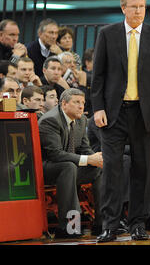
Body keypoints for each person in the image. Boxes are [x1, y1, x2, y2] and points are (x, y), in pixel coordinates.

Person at [91, 0, 150, 242]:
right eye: (134, 7)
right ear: (123, 8)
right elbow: (98, 75)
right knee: (112, 169)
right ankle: (110, 225)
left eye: (142, 7)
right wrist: (98, 107)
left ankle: (138, 223)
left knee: (142, 169)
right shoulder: (108, 34)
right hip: (113, 113)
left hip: (143, 113)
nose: (139, 11)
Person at [38, 88, 103, 238]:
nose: (81, 106)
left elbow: (85, 148)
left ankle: (101, 223)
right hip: (47, 168)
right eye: (76, 102)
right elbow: (55, 154)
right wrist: (88, 160)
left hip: (70, 168)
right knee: (68, 167)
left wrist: (97, 159)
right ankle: (68, 225)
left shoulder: (81, 119)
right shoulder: (51, 120)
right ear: (64, 104)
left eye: (83, 103)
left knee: (99, 168)